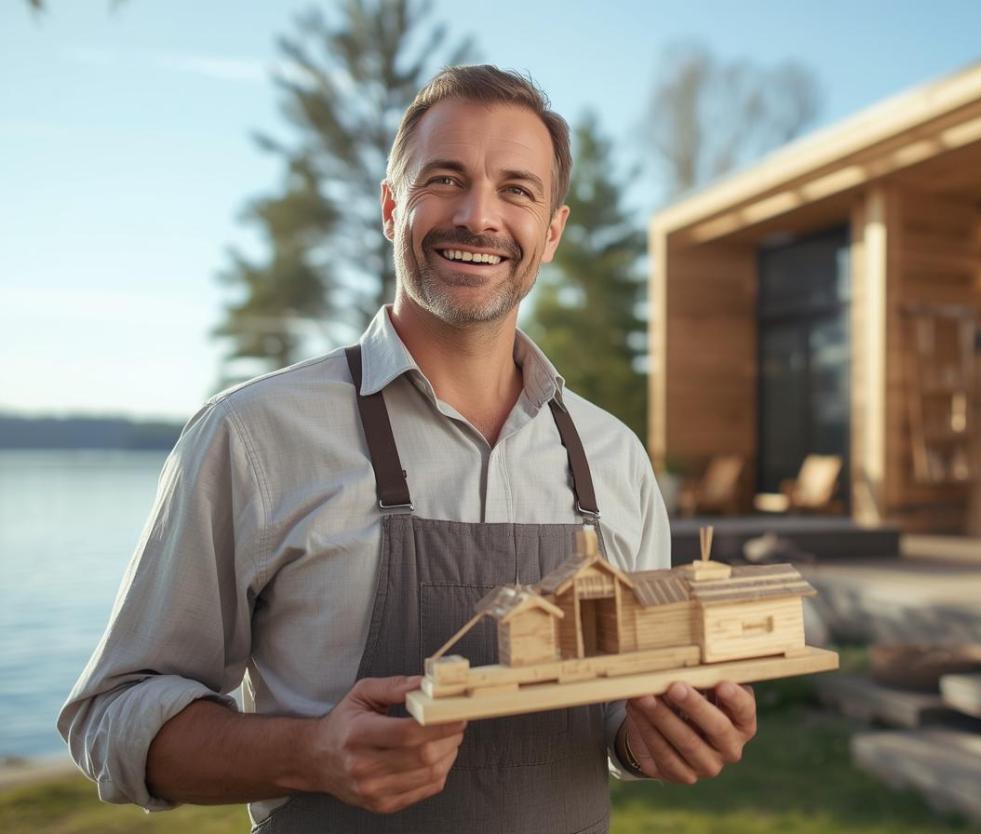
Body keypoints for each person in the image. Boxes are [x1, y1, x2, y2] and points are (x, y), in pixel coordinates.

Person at [58, 65, 756, 833]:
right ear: (392, 207)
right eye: (445, 179)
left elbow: (625, 711)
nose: (478, 216)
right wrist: (310, 753)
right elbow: (112, 717)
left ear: (551, 232)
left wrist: (651, 737)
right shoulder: (251, 436)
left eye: (516, 190)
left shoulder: (614, 456)